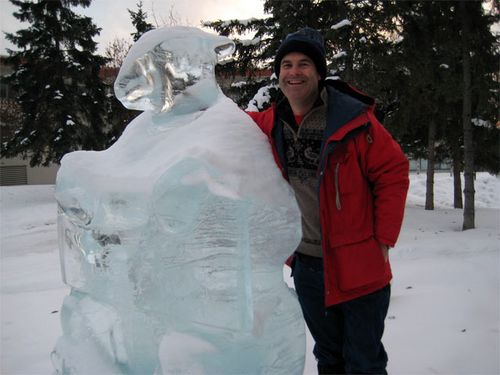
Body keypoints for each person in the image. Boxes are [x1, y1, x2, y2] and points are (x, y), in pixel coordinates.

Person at [246, 27, 409, 375]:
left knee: (364, 363)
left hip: (359, 264)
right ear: (278, 74)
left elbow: (393, 171)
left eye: (304, 64)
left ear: (319, 72)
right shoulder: (270, 124)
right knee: (329, 359)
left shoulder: (354, 121)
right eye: (287, 64)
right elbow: (224, 125)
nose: (294, 72)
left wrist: (383, 240)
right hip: (308, 267)